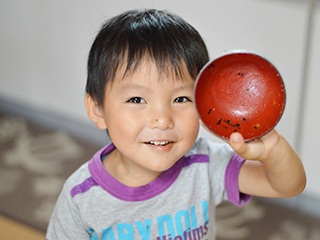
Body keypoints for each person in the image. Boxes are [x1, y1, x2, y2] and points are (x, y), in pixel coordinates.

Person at [45, 9, 306, 240]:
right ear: (98, 109)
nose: (162, 119)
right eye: (137, 99)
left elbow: (286, 185)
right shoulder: (81, 197)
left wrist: (274, 152)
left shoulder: (204, 163)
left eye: (181, 98)